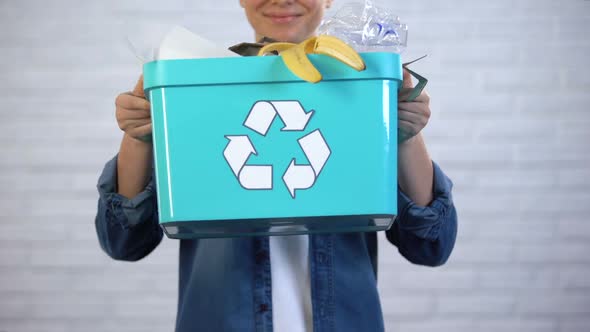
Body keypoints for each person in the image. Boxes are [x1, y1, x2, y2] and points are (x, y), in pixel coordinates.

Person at [95, 0, 458, 331]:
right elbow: (124, 242)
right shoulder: (198, 94)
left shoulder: (360, 90)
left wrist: (406, 135)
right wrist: (138, 136)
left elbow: (430, 245)